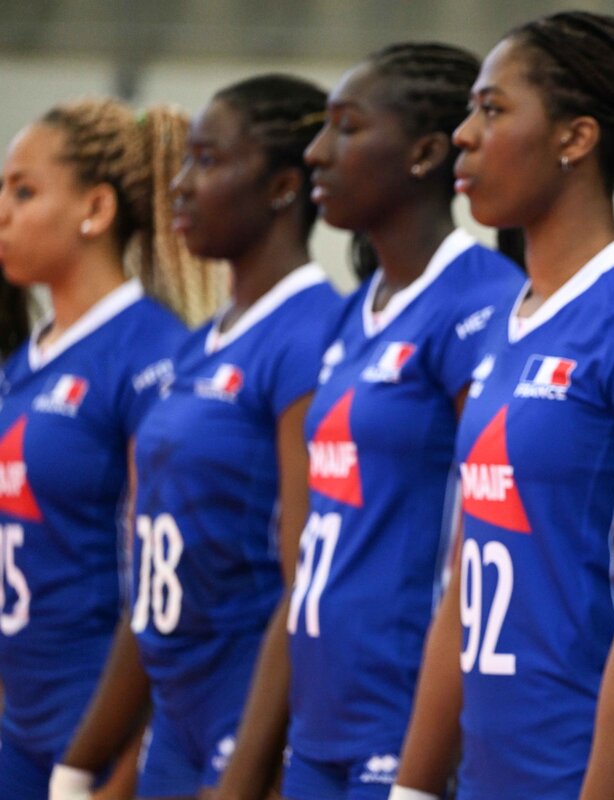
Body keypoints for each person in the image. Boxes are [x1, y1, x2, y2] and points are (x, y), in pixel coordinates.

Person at [393, 11, 614, 800]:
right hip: (484, 776)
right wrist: (413, 786)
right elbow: (462, 584)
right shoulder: (506, 321)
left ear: (576, 138)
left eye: (493, 109)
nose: (464, 134)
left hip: (574, 774)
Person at [216, 43, 524, 800]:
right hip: (318, 722)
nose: (317, 152)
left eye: (347, 128)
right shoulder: (351, 313)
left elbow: (487, 537)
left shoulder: (483, 302)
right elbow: (307, 560)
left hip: (404, 724)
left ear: (425, 153)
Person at [50, 74, 339, 800]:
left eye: (207, 162)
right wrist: (83, 762)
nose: (179, 185)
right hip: (173, 727)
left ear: (283, 187)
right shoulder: (194, 347)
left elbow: (306, 585)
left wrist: (245, 776)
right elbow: (151, 578)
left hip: (251, 725)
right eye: (184, 162)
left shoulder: (310, 336)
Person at [0, 98, 193, 800]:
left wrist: (127, 765)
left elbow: (172, 582)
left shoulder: (152, 354)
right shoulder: (24, 363)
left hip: (99, 730)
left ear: (96, 208)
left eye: (24, 191)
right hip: (18, 724)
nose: (3, 212)